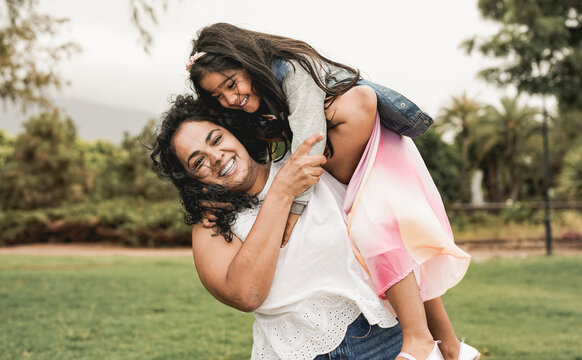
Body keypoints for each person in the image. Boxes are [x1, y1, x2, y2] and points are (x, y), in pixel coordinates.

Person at [185, 23, 480, 360]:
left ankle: (419, 339)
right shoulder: (268, 99)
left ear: (247, 62)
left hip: (376, 150)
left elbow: (310, 135)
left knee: (374, 233)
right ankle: (453, 347)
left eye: (231, 84)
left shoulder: (293, 69)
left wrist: (293, 209)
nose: (230, 99)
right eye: (218, 96)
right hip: (356, 154)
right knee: (386, 237)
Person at [150, 95, 405, 359]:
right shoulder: (211, 224)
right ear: (191, 180)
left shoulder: (306, 162)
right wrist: (281, 192)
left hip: (381, 336)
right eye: (198, 162)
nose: (215, 157)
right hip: (295, 352)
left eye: (216, 139)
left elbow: (360, 102)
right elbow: (247, 295)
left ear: (234, 132)